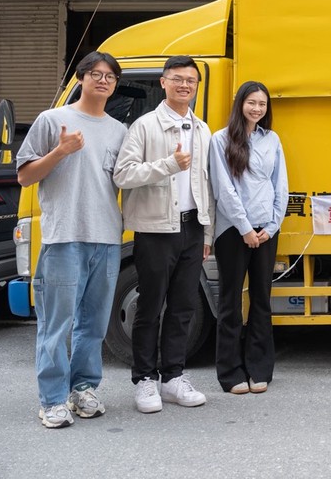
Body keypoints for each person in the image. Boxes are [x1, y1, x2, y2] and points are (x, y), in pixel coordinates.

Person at [16, 51, 128, 429]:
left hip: (107, 238)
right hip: (64, 236)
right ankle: (51, 399)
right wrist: (61, 151)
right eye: (95, 74)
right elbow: (25, 176)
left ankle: (84, 388)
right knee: (56, 323)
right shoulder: (53, 120)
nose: (103, 80)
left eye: (110, 76)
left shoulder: (119, 130)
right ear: (80, 78)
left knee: (93, 324)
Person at [113, 56, 213, 413]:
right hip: (155, 229)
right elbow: (123, 175)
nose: (185, 85)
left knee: (184, 307)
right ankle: (144, 380)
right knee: (150, 307)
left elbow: (204, 183)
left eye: (191, 80)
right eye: (178, 79)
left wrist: (207, 232)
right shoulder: (144, 126)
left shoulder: (201, 128)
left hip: (192, 226)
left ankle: (173, 378)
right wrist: (168, 165)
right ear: (163, 82)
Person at [208, 80, 288, 395]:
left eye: (262, 104)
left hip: (266, 230)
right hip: (232, 231)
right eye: (251, 102)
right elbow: (223, 188)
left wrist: (272, 225)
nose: (257, 108)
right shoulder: (221, 139)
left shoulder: (272, 140)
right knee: (229, 301)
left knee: (261, 300)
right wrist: (244, 228)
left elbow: (280, 184)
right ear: (240, 103)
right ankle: (230, 373)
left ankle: (259, 369)